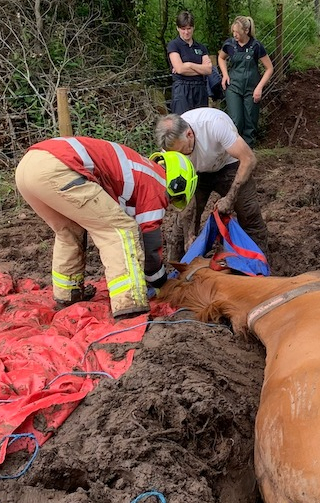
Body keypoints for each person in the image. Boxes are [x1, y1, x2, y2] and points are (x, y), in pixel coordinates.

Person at [15, 137, 197, 319]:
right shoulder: (157, 184)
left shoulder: (141, 169)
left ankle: (67, 296)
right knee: (121, 229)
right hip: (58, 167)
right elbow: (150, 243)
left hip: (30, 166)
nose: (170, 203)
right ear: (178, 182)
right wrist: (160, 282)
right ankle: (129, 305)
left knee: (69, 232)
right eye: (176, 198)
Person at [154, 108, 270, 255]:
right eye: (177, 154)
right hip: (194, 173)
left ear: (189, 134)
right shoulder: (170, 150)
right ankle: (178, 267)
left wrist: (230, 198)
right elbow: (183, 196)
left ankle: (259, 262)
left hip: (227, 165)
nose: (182, 155)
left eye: (183, 151)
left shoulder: (214, 124)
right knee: (182, 227)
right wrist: (188, 235)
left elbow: (249, 159)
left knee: (249, 212)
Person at [218, 16, 274, 147]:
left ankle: (249, 149)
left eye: (237, 32)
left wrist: (259, 87)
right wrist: (225, 75)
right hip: (234, 87)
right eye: (233, 32)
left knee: (250, 121)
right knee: (236, 120)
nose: (235, 35)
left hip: (251, 88)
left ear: (246, 30)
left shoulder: (256, 46)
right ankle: (233, 149)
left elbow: (269, 68)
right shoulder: (229, 45)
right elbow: (221, 58)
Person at [166, 10, 213, 115]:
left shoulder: (201, 47)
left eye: (189, 29)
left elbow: (208, 70)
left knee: (200, 123)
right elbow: (180, 69)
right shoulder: (174, 45)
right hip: (182, 89)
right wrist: (201, 69)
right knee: (182, 124)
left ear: (193, 28)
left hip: (200, 88)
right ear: (177, 28)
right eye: (183, 29)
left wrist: (189, 65)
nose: (186, 32)